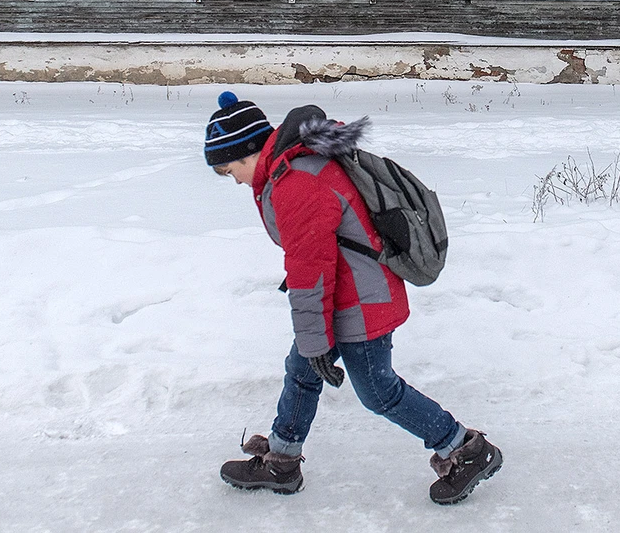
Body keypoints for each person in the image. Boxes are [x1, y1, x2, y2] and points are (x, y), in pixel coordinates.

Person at [204, 91, 502, 505]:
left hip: (360, 303)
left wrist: (316, 340)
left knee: (379, 392)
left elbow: (310, 272)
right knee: (303, 370)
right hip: (350, 296)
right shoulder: (291, 169)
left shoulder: (295, 182)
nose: (232, 178)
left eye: (228, 168)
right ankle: (282, 461)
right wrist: (313, 343)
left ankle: (465, 449)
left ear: (250, 150)